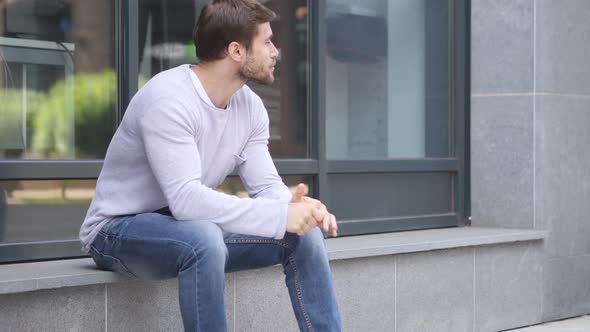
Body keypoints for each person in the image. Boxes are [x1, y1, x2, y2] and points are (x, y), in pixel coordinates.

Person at [78, 0, 342, 331]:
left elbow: (266, 186)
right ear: (236, 50)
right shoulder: (169, 100)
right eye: (267, 42)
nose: (276, 52)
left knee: (305, 236)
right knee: (202, 239)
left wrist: (299, 208)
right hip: (117, 230)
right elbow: (187, 201)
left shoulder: (250, 106)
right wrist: (279, 215)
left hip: (184, 225)